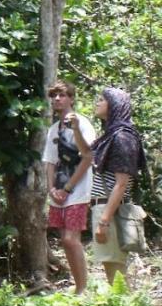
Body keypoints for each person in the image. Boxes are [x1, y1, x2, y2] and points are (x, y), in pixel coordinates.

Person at [73, 87, 146, 288]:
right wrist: (76, 129)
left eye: (101, 100)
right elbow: (88, 155)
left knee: (115, 266)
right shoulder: (111, 135)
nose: (97, 103)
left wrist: (104, 221)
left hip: (110, 210)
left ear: (114, 106)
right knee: (110, 263)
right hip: (104, 207)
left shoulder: (122, 138)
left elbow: (121, 183)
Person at [42, 81, 97, 293]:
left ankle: (83, 288)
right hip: (58, 191)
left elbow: (88, 156)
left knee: (70, 239)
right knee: (65, 241)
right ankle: (78, 287)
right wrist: (51, 189)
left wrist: (67, 189)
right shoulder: (53, 129)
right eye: (54, 95)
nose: (57, 99)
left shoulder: (82, 123)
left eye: (62, 95)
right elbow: (50, 161)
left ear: (72, 98)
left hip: (78, 191)